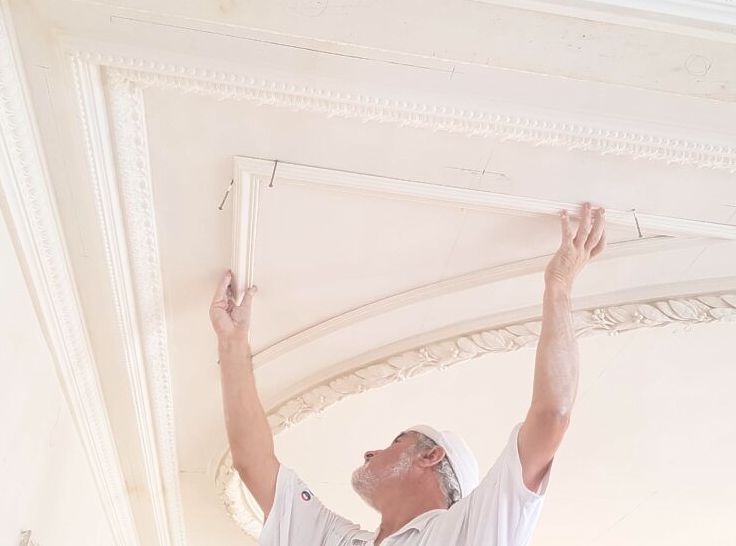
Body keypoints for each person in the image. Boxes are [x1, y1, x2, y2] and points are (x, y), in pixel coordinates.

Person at [210, 203, 607, 546]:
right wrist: (232, 345)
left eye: (395, 440)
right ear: (430, 455)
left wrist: (559, 287)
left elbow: (552, 414)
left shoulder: (469, 533)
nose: (369, 452)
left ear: (434, 457)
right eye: (397, 440)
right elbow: (253, 462)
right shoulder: (334, 538)